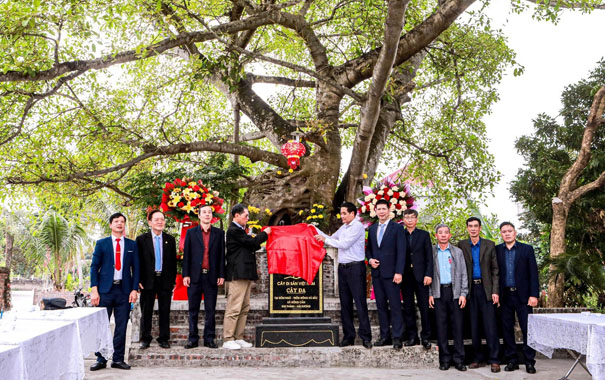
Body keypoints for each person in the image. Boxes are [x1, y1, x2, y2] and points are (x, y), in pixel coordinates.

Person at [315, 202, 372, 349]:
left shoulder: (358, 226)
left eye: (345, 213)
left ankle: (366, 337)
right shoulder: (343, 227)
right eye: (341, 213)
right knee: (345, 303)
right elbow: (331, 237)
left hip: (355, 268)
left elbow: (343, 244)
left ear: (353, 214)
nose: (342, 216)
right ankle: (349, 336)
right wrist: (314, 229)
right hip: (343, 268)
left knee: (360, 303)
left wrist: (325, 240)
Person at [90, 212, 139, 371]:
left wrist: (134, 289)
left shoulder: (131, 245)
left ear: (124, 225)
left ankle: (118, 359)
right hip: (104, 291)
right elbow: (94, 267)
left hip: (124, 291)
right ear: (111, 225)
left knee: (122, 326)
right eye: (116, 221)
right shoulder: (102, 244)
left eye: (122, 221)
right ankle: (101, 359)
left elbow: (136, 269)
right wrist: (94, 290)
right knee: (102, 326)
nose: (119, 223)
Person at [223, 204, 271, 349]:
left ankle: (238, 336)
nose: (248, 218)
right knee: (234, 307)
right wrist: (265, 234)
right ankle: (228, 338)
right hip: (237, 274)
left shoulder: (242, 231)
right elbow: (252, 242)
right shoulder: (233, 230)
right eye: (246, 216)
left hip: (245, 274)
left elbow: (251, 245)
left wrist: (255, 238)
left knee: (244, 307)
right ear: (236, 216)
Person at [457, 217, 501, 373]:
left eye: (476, 226)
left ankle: (494, 360)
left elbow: (495, 270)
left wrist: (495, 291)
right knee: (474, 326)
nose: (473, 229)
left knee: (490, 326)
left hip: (486, 289)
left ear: (480, 228)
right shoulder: (462, 245)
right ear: (467, 228)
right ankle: (477, 358)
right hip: (470, 290)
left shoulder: (489, 245)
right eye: (470, 226)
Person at [496, 222, 539, 374]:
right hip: (505, 296)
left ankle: (529, 362)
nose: (507, 233)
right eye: (504, 231)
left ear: (515, 233)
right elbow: (496, 274)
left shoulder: (526, 249)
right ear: (501, 234)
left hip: (524, 296)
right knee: (507, 330)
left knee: (528, 329)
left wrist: (534, 294)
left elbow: (533, 273)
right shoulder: (497, 250)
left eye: (509, 231)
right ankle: (512, 360)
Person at [182, 204, 226, 349]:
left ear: (212, 216)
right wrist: (185, 274)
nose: (207, 214)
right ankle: (192, 339)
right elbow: (186, 255)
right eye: (204, 212)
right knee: (193, 309)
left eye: (209, 212)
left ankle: (209, 339)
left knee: (210, 309)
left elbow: (221, 256)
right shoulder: (191, 233)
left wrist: (221, 274)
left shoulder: (219, 233)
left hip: (211, 276)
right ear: (199, 215)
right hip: (195, 276)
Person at [366, 199, 406, 349]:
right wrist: (370, 259)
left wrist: (399, 272)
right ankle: (384, 336)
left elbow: (401, 252)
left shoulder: (397, 228)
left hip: (392, 275)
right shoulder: (372, 228)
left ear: (389, 211)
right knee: (381, 306)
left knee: (395, 306)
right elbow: (369, 249)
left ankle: (397, 337)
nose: (381, 211)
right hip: (377, 275)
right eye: (379, 209)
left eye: (384, 209)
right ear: (375, 211)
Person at [429, 224, 468, 372]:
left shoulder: (457, 252)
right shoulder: (432, 252)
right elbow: (428, 274)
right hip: (439, 293)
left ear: (450, 235)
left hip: (455, 293)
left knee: (458, 327)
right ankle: (444, 359)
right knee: (441, 327)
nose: (443, 235)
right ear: (436, 235)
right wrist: (430, 294)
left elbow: (464, 273)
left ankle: (459, 360)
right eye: (440, 232)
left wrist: (463, 293)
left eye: (446, 232)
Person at [136, 209, 177, 350]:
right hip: (147, 280)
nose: (160, 222)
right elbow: (137, 262)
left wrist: (172, 281)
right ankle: (145, 338)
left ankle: (164, 338)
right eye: (156, 219)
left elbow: (172, 262)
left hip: (165, 280)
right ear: (150, 222)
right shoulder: (141, 240)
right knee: (146, 310)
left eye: (162, 219)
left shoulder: (170, 240)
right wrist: (138, 280)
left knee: (165, 311)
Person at [400, 209, 433, 348]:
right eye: (406, 217)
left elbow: (429, 257)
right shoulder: (400, 234)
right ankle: (412, 337)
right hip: (405, 276)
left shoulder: (424, 235)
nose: (409, 220)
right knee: (408, 307)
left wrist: (428, 274)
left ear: (416, 219)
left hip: (421, 276)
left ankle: (426, 337)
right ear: (403, 219)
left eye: (412, 217)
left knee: (424, 307)